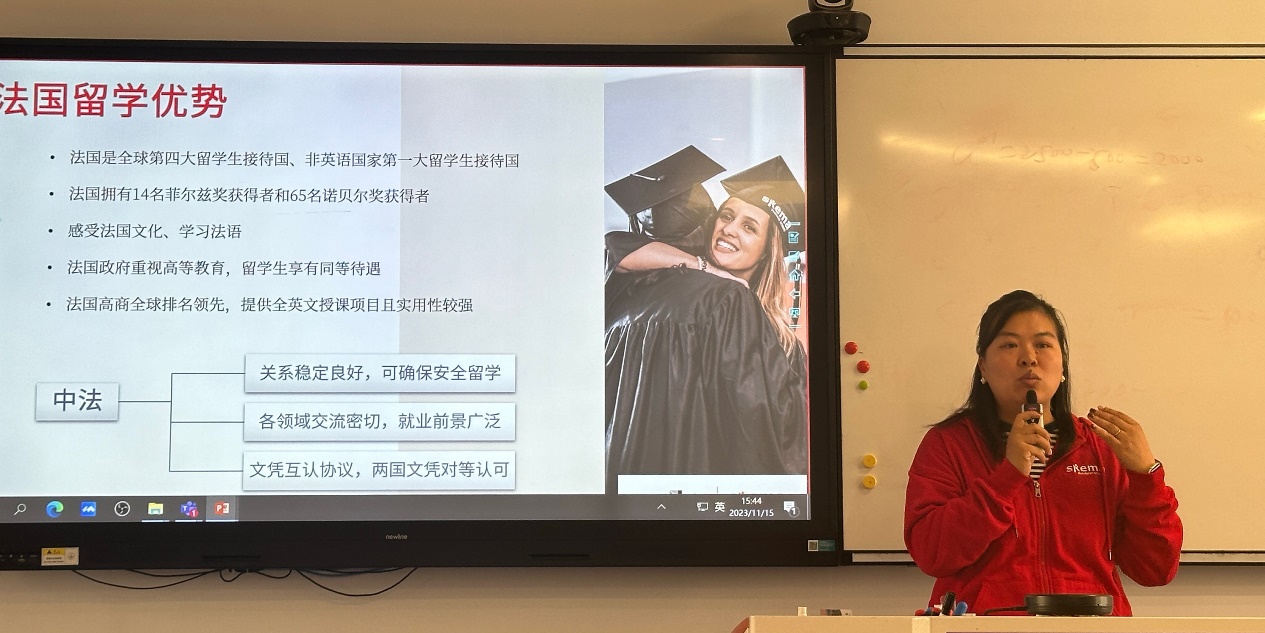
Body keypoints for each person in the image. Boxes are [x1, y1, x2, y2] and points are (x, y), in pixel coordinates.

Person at [903, 290, 1182, 616]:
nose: (1028, 358)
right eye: (1009, 345)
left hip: (1093, 624)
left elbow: (1155, 569)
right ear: (983, 366)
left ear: (1063, 364)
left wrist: (1146, 475)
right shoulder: (949, 444)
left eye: (1043, 344)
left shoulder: (1100, 446)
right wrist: (1007, 476)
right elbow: (932, 554)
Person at [604, 155, 809, 491]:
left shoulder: (628, 299)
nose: (729, 229)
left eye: (749, 227)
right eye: (726, 216)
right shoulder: (729, 302)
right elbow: (755, 429)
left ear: (767, 250)